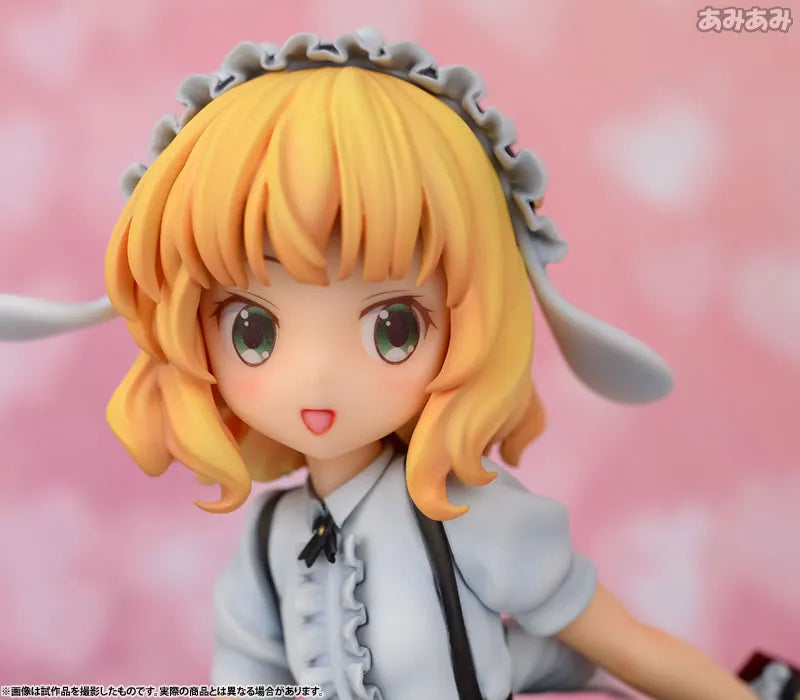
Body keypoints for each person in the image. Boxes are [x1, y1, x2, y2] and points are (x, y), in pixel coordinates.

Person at [0, 28, 758, 700]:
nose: (317, 378)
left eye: (393, 327)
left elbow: (616, 644)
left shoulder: (469, 516)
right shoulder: (269, 541)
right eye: (253, 330)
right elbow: (247, 679)